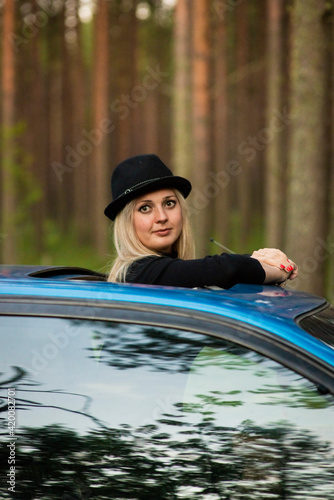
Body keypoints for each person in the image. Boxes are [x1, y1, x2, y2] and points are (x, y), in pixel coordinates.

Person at [104, 154, 298, 288]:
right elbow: (225, 270)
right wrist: (277, 270)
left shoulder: (169, 273)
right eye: (145, 208)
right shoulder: (136, 273)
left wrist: (258, 260)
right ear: (127, 223)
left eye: (169, 203)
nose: (162, 217)